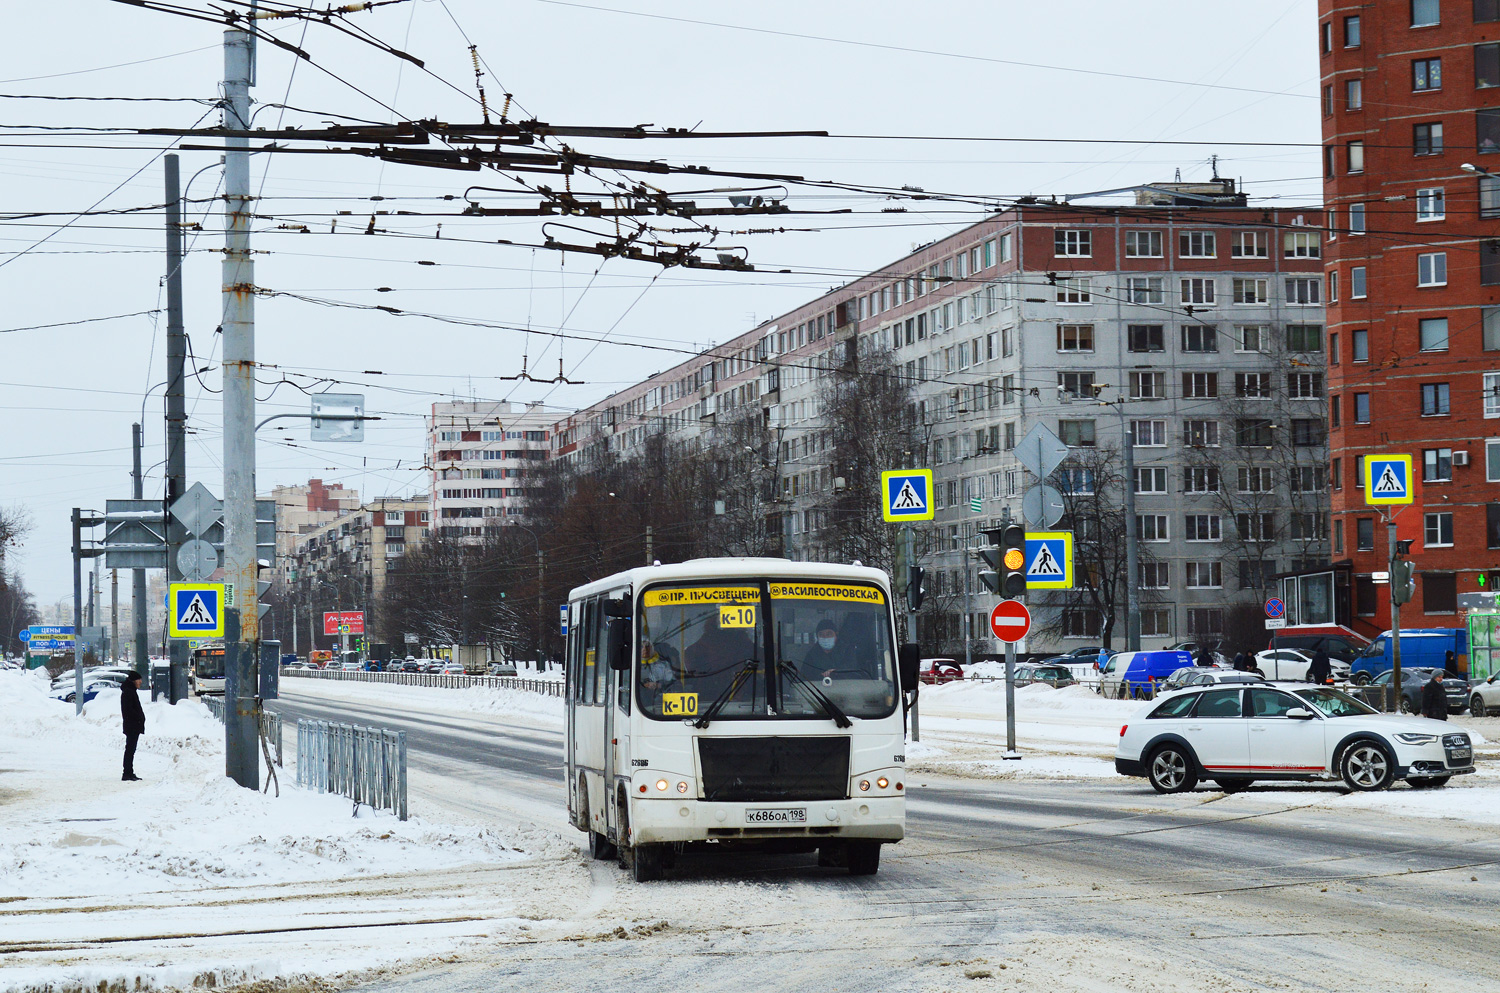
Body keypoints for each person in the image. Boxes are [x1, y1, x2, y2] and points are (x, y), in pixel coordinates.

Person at [121, 670, 145, 781]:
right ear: (133, 680)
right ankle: (127, 773)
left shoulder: (131, 691)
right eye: (139, 680)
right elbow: (128, 710)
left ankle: (129, 772)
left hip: (133, 724)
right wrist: (138, 718)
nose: (140, 682)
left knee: (131, 750)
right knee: (130, 750)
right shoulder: (128, 692)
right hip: (132, 725)